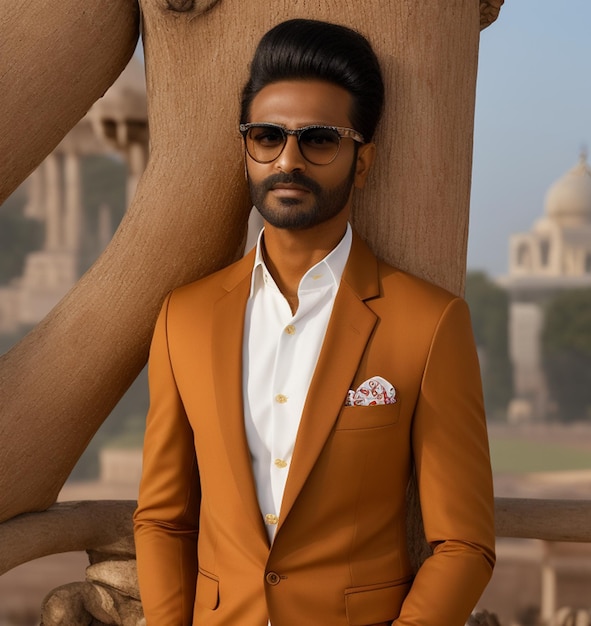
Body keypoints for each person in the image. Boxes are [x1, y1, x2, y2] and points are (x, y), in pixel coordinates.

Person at [133, 18, 495, 626]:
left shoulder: (427, 325)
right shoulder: (184, 319)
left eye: (320, 139)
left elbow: (465, 543)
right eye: (267, 136)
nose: (288, 160)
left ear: (362, 160)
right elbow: (164, 518)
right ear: (246, 147)